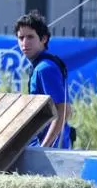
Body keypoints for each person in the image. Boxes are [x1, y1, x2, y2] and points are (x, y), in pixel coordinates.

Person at [14, 10, 72, 149]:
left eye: (30, 37)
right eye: (21, 38)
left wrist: (45, 147)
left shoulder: (45, 69)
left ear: (43, 39)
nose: (25, 43)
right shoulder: (39, 66)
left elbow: (64, 111)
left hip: (54, 150)